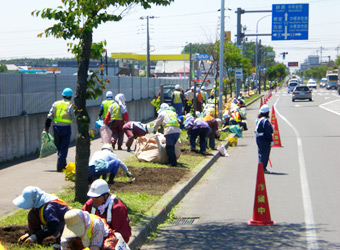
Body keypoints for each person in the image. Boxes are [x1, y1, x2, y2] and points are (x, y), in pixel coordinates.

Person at [82, 179, 132, 243]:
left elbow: (123, 236)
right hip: (92, 240)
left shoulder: (118, 208)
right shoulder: (89, 204)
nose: (94, 199)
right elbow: (81, 222)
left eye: (97, 197)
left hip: (112, 242)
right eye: (92, 197)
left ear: (105, 195)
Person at [45, 87, 76, 172]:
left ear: (62, 95)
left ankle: (63, 165)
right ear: (70, 97)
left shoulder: (56, 104)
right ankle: (60, 167)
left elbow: (49, 116)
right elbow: (74, 116)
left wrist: (46, 128)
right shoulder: (70, 105)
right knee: (63, 148)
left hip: (56, 128)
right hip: (66, 128)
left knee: (59, 148)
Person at [255, 104, 274, 174]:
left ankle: (260, 167)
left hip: (258, 138)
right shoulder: (265, 121)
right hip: (264, 138)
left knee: (260, 153)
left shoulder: (259, 119)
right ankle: (263, 168)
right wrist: (271, 140)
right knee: (265, 154)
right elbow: (268, 132)